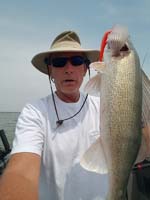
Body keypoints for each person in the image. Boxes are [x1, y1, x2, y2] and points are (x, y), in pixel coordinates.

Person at [0, 31, 108, 200]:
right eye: (59, 62)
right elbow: (21, 171)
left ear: (86, 68)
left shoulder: (104, 106)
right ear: (50, 70)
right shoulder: (35, 112)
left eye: (77, 61)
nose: (69, 69)